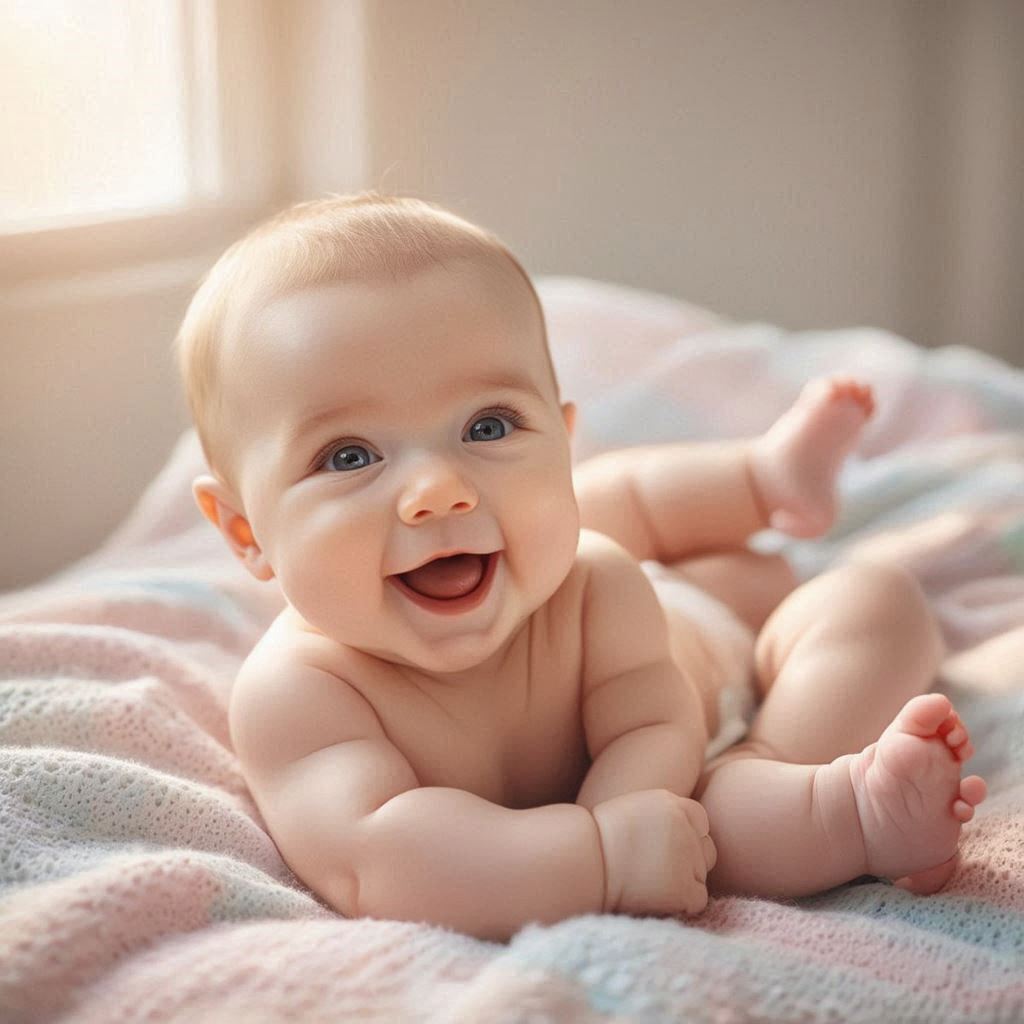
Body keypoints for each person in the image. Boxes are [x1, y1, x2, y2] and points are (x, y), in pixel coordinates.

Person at [176, 193, 986, 942]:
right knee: (751, 786)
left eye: (489, 426)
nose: (439, 490)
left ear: (561, 433)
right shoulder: (301, 695)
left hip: (678, 653)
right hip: (714, 760)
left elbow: (649, 724)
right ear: (246, 532)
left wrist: (618, 819)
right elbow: (377, 857)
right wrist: (607, 856)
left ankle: (764, 482)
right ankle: (840, 803)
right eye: (348, 454)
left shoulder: (590, 578)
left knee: (648, 520)